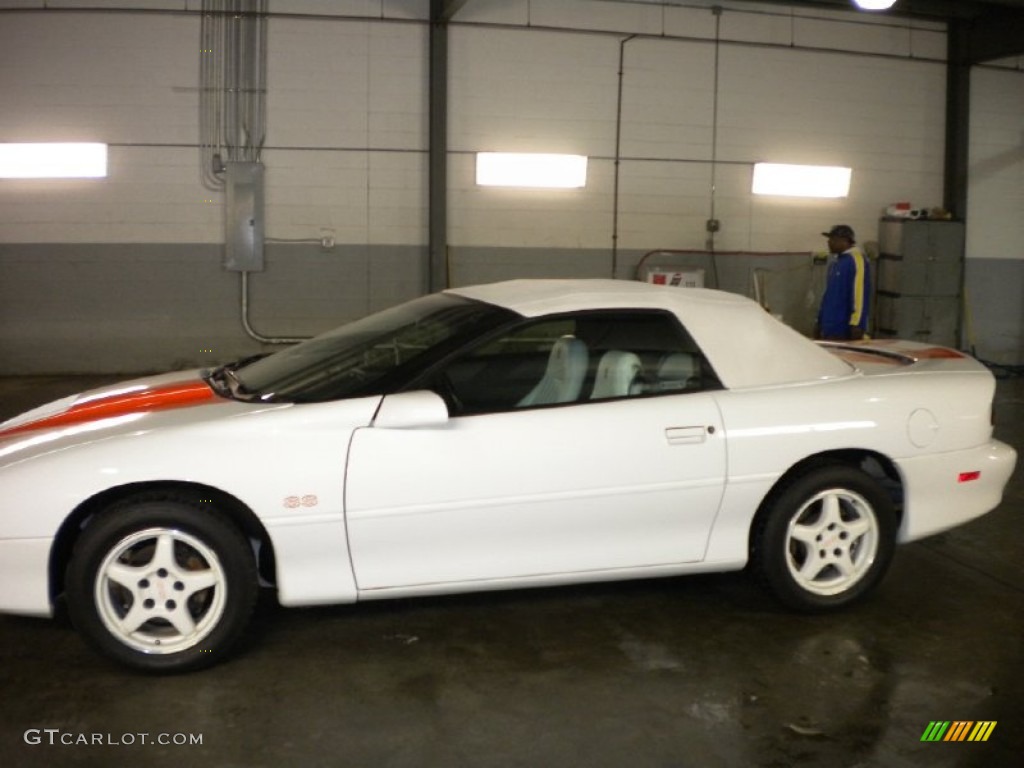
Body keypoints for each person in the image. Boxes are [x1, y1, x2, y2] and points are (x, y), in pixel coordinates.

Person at [816, 224, 870, 341]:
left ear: (844, 241)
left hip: (845, 329)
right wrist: (820, 321)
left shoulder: (856, 260)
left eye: (833, 240)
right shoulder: (836, 263)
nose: (829, 242)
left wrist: (857, 324)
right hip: (830, 328)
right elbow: (828, 295)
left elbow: (859, 294)